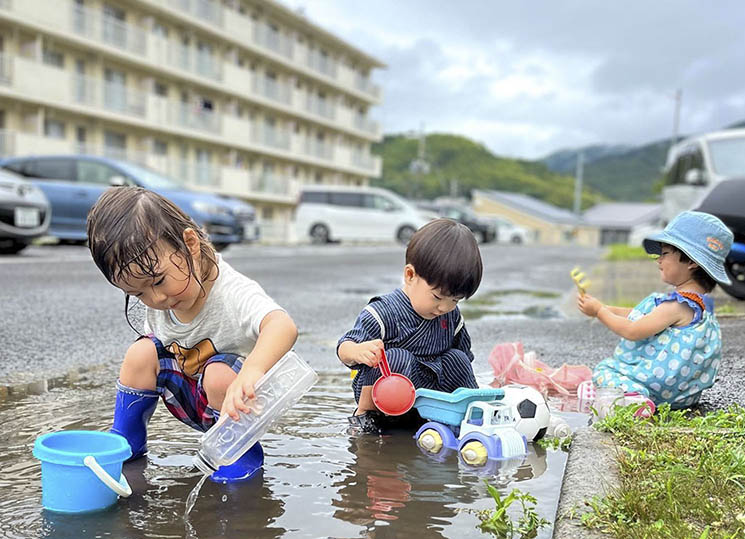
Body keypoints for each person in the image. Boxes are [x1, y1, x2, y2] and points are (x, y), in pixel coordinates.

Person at [87, 186, 298, 481]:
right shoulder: (160, 295)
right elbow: (156, 354)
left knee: (218, 374)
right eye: (138, 293)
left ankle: (239, 457)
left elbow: (282, 325)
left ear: (190, 244)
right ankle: (126, 442)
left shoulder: (233, 292)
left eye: (158, 281)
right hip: (193, 395)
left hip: (241, 404)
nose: (155, 299)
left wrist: (252, 371)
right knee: (141, 353)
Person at [337, 218, 483, 431]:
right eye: (437, 297)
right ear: (410, 275)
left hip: (430, 391)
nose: (444, 307)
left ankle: (471, 411)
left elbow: (464, 360)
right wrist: (359, 351)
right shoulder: (383, 312)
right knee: (397, 357)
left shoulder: (451, 317)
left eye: (455, 300)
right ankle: (365, 416)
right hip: (388, 391)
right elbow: (344, 348)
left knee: (458, 359)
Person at [576, 210, 733, 408]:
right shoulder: (700, 305)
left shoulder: (677, 305)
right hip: (681, 396)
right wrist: (605, 307)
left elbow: (632, 330)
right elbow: (643, 317)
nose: (658, 259)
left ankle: (634, 400)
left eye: (665, 253)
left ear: (692, 261)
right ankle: (631, 398)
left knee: (604, 371)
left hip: (653, 388)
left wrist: (599, 312)